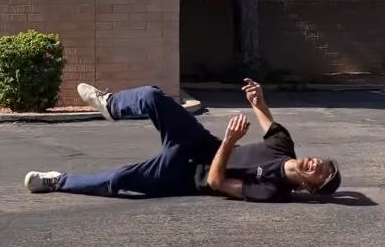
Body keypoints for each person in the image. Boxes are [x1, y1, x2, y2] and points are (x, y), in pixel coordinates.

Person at [25, 80, 340, 201]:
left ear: (309, 186)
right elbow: (266, 119)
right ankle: (112, 105)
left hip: (187, 176)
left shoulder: (273, 190)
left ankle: (57, 181)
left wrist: (230, 142)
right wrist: (257, 100)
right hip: (200, 143)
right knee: (152, 97)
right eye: (323, 162)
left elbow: (217, 183)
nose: (317, 163)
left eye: (321, 172)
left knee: (120, 179)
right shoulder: (284, 145)